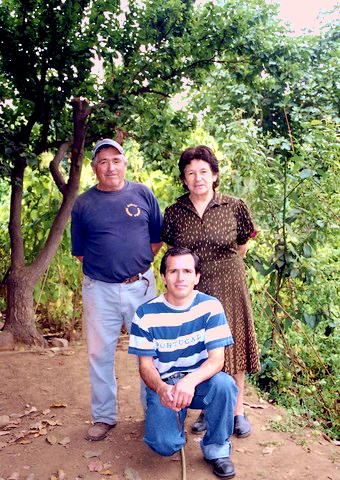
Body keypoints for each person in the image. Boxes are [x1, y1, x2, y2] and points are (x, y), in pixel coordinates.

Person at [161, 145, 260, 438]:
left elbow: (243, 244)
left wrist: (224, 266)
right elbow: (172, 252)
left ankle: (237, 410)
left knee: (233, 345)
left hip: (230, 284)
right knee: (201, 346)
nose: (197, 178)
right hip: (193, 288)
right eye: (190, 173)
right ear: (183, 179)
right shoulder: (175, 212)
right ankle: (207, 409)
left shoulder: (234, 206)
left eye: (203, 171)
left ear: (214, 175)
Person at [71, 138, 163, 441]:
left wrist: (133, 267)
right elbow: (81, 252)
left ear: (125, 163)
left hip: (142, 286)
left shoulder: (143, 194)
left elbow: (155, 241)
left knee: (150, 352)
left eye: (116, 160)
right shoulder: (83, 203)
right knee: (100, 353)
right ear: (95, 167)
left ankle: (153, 413)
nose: (110, 166)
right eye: (103, 161)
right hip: (99, 289)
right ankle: (104, 416)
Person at [128, 247, 238, 479]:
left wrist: (188, 382)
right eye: (173, 271)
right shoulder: (145, 314)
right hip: (165, 386)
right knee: (165, 446)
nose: (180, 278)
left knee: (225, 385)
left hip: (199, 382)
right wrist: (162, 388)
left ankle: (216, 449)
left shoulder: (211, 306)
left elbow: (217, 360)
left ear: (197, 277)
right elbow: (145, 366)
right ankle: (173, 421)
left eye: (187, 271)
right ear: (164, 277)